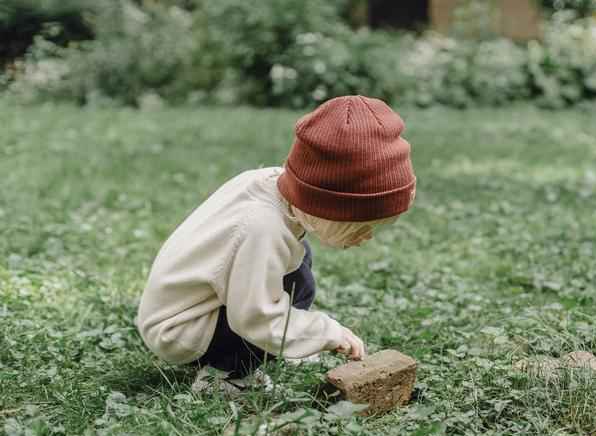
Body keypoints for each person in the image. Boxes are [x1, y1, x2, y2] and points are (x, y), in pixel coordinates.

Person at [135, 95, 416, 392]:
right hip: (180, 328)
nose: (367, 237)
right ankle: (224, 377)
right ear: (327, 206)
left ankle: (281, 342)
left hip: (199, 304)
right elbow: (255, 319)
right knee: (279, 303)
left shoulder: (275, 188)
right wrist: (325, 333)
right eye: (361, 226)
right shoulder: (260, 228)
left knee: (299, 270)